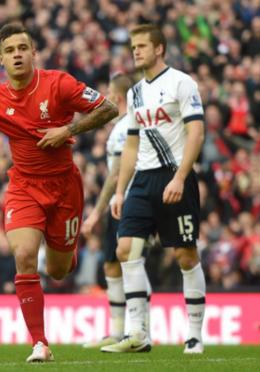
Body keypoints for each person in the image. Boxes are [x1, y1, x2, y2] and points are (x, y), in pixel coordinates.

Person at [0, 23, 118, 362]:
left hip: (64, 187)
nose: (17, 54)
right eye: (10, 50)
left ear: (33, 52)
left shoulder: (58, 83)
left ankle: (66, 248)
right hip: (23, 187)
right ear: (0, 59)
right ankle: (40, 343)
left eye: (22, 48)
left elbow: (108, 108)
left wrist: (69, 129)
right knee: (24, 256)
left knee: (59, 271)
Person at [105, 24, 206, 354]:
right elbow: (131, 145)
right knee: (125, 250)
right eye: (133, 46)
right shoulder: (134, 93)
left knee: (185, 254)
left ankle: (193, 334)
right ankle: (138, 333)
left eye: (142, 46)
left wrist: (180, 177)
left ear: (159, 49)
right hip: (143, 180)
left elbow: (196, 134)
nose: (136, 51)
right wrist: (121, 190)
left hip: (176, 175)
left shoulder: (182, 82)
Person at [81, 73, 153, 349]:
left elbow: (116, 174)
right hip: (123, 202)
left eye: (110, 93)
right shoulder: (123, 126)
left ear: (118, 97)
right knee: (113, 264)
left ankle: (140, 330)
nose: (107, 98)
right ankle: (119, 330)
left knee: (130, 262)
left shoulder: (125, 128)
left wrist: (96, 213)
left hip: (128, 202)